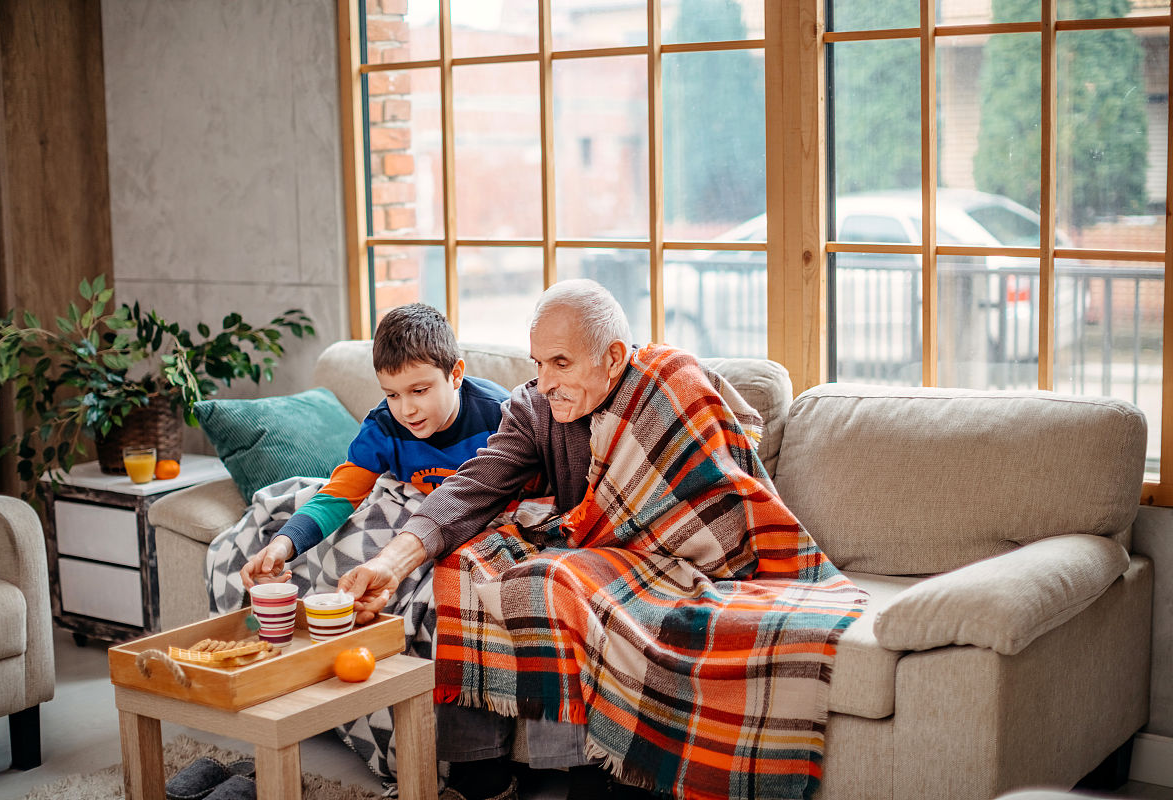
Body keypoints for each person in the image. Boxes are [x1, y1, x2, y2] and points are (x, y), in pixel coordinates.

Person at [338, 280, 865, 800]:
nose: (544, 382)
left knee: (557, 577)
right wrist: (392, 562)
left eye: (560, 363)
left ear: (613, 357)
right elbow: (475, 484)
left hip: (692, 564)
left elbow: (727, 510)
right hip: (595, 554)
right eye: (537, 363)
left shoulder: (668, 384)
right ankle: (483, 779)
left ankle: (592, 777)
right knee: (472, 563)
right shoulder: (535, 408)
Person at [240, 302, 510, 588]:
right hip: (413, 521)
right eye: (393, 395)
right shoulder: (383, 426)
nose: (407, 410)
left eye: (419, 391)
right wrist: (284, 543)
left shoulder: (499, 414)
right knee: (341, 552)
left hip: (475, 519)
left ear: (455, 375)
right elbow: (340, 493)